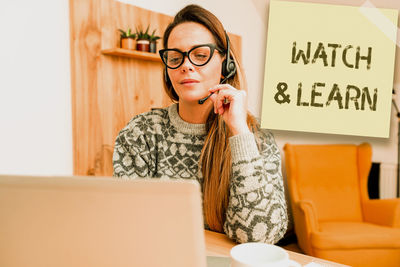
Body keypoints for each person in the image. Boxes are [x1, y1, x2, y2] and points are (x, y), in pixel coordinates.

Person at [113, 4, 288, 244]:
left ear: (225, 63)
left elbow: (260, 236)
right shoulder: (140, 133)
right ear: (167, 70)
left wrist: (239, 133)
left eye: (200, 55)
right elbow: (127, 224)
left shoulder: (256, 136)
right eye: (175, 57)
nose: (186, 65)